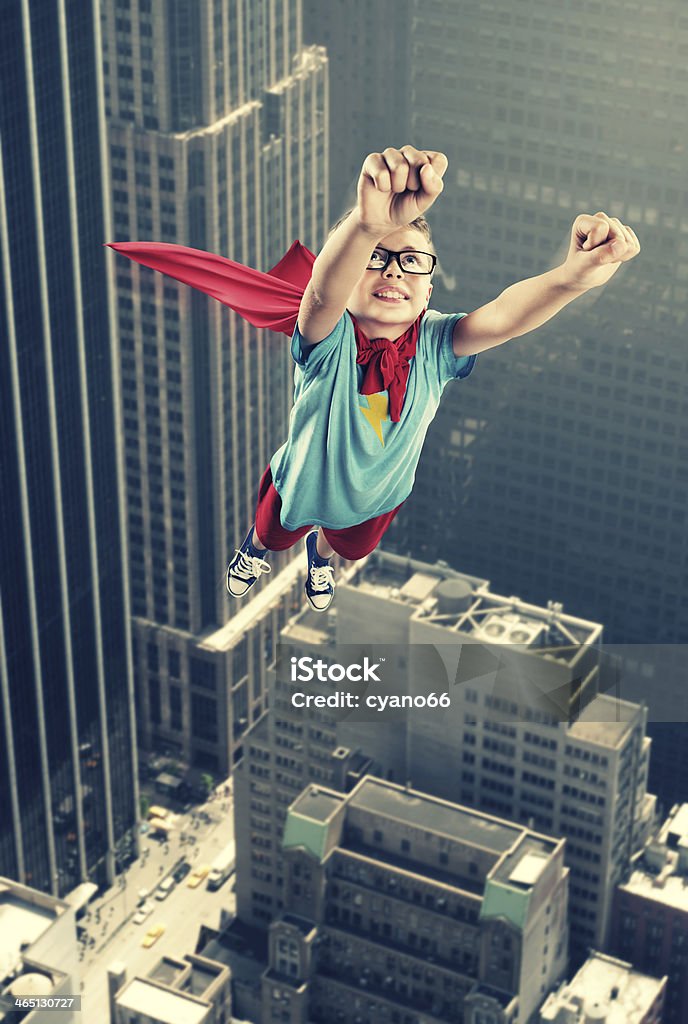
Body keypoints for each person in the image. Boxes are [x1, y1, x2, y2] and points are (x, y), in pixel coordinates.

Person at [226, 144, 640, 612]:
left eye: (411, 261)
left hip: (376, 499)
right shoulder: (328, 337)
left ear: (429, 289)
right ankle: (254, 552)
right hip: (300, 483)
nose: (392, 269)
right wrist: (366, 225)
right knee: (272, 531)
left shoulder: (436, 344)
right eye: (375, 256)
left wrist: (571, 278)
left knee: (345, 544)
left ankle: (321, 558)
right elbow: (322, 295)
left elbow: (504, 316)